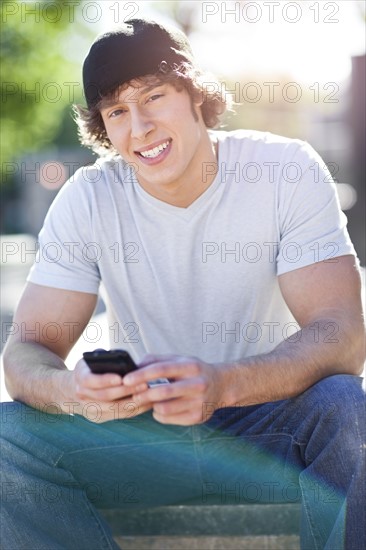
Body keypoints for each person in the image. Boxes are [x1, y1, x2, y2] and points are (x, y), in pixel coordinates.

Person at [1, 17, 365, 550]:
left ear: (194, 93)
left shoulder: (285, 169)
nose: (140, 127)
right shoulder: (89, 197)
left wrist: (223, 384)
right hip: (145, 438)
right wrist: (73, 393)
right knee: (8, 435)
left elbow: (343, 335)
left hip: (270, 431)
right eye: (117, 112)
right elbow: (26, 352)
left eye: (154, 97)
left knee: (347, 408)